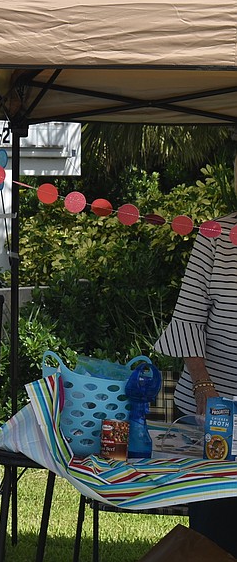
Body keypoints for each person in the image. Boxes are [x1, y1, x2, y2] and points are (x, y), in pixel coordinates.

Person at [154, 191, 237, 557]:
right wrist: (204, 385)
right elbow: (187, 318)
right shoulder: (214, 235)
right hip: (212, 410)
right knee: (216, 531)